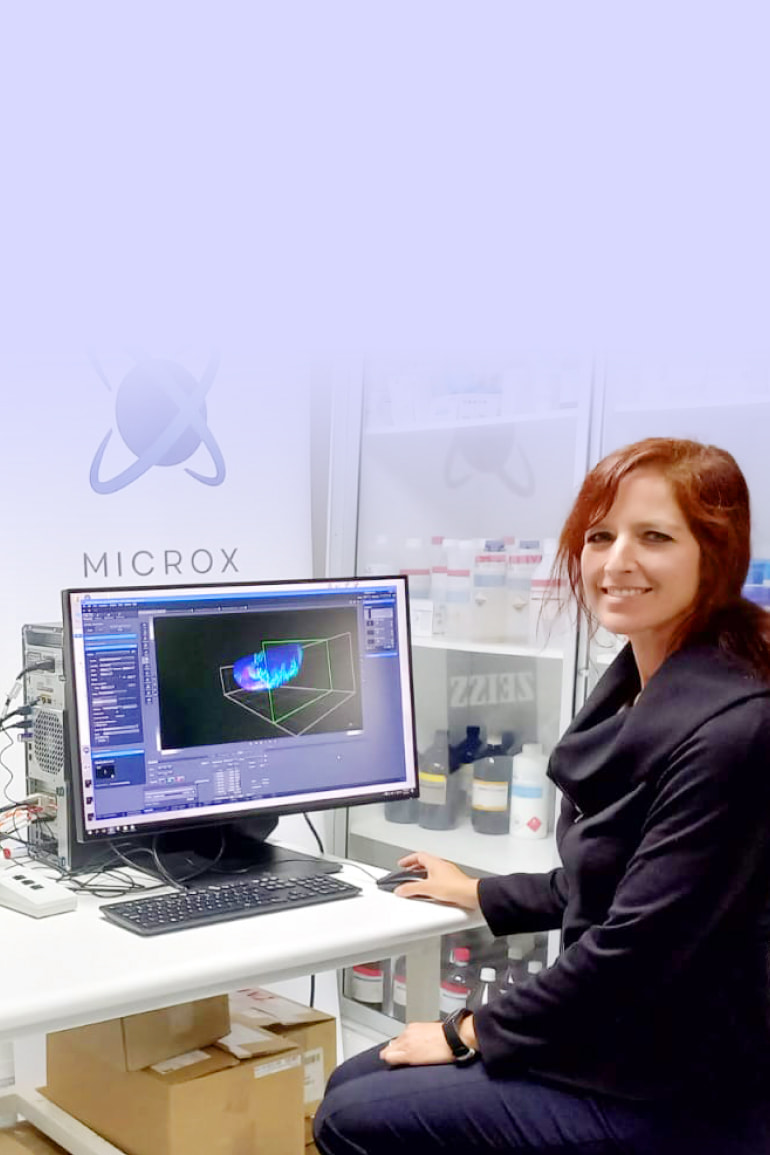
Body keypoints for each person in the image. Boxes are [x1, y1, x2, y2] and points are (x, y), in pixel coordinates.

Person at [314, 437, 770, 1155]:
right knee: (353, 1084)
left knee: (350, 1114)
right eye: (600, 535)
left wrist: (468, 1031)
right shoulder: (640, 678)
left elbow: (636, 948)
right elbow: (617, 875)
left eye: (654, 536)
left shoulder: (734, 729)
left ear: (715, 552)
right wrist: (480, 893)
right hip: (628, 1032)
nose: (617, 560)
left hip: (676, 1083)